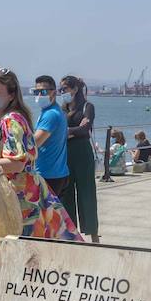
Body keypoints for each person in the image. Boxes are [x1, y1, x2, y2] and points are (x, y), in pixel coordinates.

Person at [0, 68, 83, 241]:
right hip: (28, 193)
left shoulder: (11, 120)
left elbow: (17, 163)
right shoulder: (9, 119)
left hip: (21, 200)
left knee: (28, 250)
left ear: (11, 95)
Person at [60, 75, 100, 242]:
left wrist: (69, 131)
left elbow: (85, 130)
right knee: (66, 193)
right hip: (66, 153)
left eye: (65, 89)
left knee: (87, 192)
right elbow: (61, 129)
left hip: (83, 153)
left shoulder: (87, 107)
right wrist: (74, 129)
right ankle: (71, 233)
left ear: (75, 89)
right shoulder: (63, 108)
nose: (62, 92)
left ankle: (93, 233)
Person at [32, 75, 71, 200]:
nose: (39, 95)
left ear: (53, 93)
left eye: (43, 92)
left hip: (49, 175)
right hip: (57, 173)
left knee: (44, 218)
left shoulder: (51, 115)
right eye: (36, 92)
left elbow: (34, 143)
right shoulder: (53, 111)